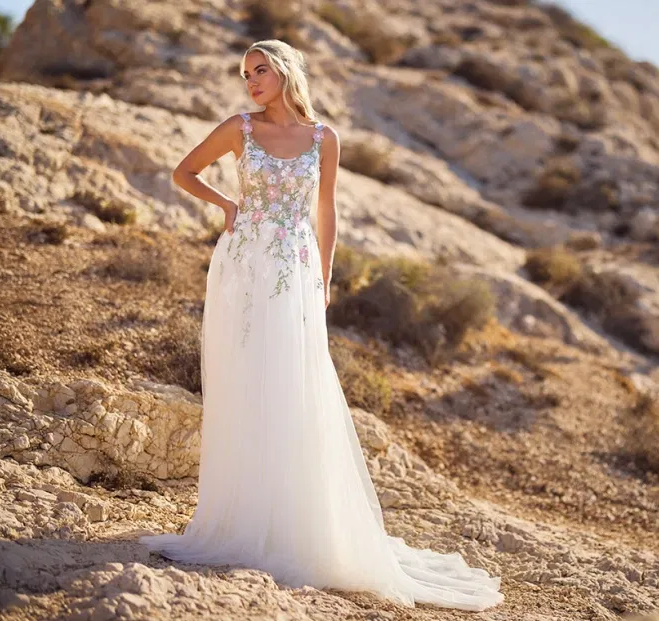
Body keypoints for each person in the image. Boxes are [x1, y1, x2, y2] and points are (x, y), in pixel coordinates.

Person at [137, 39, 504, 612]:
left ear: (285, 72)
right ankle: (244, 517)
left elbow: (326, 210)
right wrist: (228, 207)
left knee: (294, 384)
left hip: (296, 267)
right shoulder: (240, 128)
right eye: (244, 74)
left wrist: (325, 279)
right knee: (246, 380)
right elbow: (184, 172)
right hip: (244, 264)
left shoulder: (323, 138)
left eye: (260, 71)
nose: (251, 81)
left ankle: (296, 522)